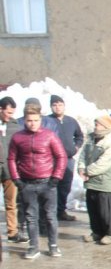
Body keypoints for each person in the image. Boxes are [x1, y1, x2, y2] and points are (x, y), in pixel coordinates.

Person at [8, 103, 67, 259]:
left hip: (47, 182)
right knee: (30, 217)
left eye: (35, 120)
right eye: (29, 120)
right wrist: (16, 179)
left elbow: (61, 156)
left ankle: (53, 245)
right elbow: (12, 159)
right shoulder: (18, 137)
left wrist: (56, 177)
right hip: (27, 183)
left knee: (50, 216)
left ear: (40, 120)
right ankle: (33, 247)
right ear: (24, 121)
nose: (32, 123)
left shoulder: (49, 135)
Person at [77, 115, 111, 245]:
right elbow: (83, 155)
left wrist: (87, 171)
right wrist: (81, 168)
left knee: (105, 209)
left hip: (104, 181)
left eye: (97, 124)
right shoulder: (92, 138)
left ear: (105, 126)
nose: (95, 126)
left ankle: (110, 233)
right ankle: (96, 231)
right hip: (90, 180)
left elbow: (104, 163)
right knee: (93, 208)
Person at [46, 95, 84, 221]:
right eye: (54, 105)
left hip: (68, 159)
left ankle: (61, 211)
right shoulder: (47, 121)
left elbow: (79, 136)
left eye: (60, 105)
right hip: (52, 160)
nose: (57, 107)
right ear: (51, 107)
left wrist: (76, 147)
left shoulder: (71, 121)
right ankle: (50, 212)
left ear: (64, 106)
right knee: (51, 186)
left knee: (65, 186)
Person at [0, 96, 27, 244]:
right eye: (8, 112)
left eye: (12, 113)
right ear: (0, 109)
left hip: (9, 170)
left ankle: (13, 232)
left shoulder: (15, 126)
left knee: (11, 202)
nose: (10, 115)